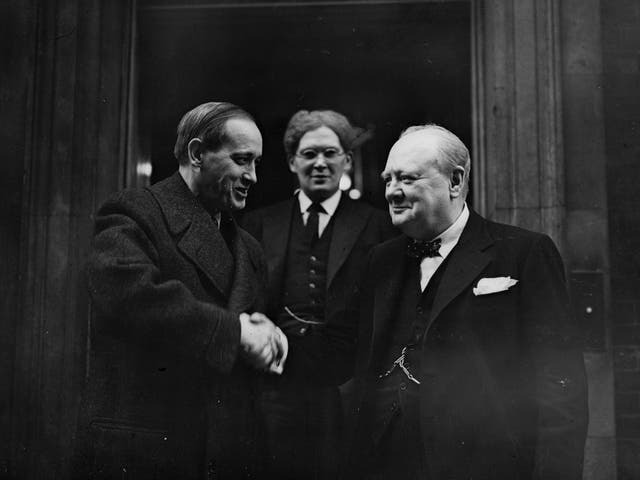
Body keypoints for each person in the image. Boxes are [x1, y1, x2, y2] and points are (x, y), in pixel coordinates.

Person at [347, 124, 588, 479]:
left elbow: (560, 384)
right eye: (387, 180)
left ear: (455, 181)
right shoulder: (379, 260)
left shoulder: (524, 253)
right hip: (388, 462)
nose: (391, 192)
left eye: (407, 179)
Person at [74, 102, 285, 479]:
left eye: (256, 162)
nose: (253, 176)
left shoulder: (250, 249)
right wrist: (236, 334)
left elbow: (244, 328)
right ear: (197, 153)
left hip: (228, 452)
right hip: (151, 451)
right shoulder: (135, 210)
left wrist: (268, 337)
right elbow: (128, 294)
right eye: (241, 159)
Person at [241, 109, 395, 479]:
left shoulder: (378, 225)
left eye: (330, 153)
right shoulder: (260, 222)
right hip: (274, 390)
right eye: (309, 154)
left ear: (347, 160)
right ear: (293, 162)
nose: (320, 163)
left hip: (345, 391)